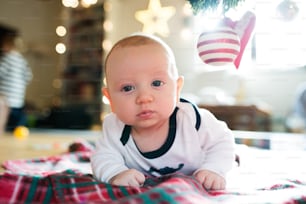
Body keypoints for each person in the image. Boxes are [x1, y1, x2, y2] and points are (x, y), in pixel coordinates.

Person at [91, 33, 235, 190]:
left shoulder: (191, 119)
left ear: (177, 89)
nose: (144, 98)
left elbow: (222, 141)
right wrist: (116, 173)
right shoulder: (114, 127)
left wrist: (213, 169)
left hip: (196, 178)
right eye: (127, 88)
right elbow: (103, 157)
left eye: (157, 83)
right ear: (110, 98)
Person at [0, 24, 32, 131]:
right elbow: (28, 77)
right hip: (18, 101)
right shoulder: (22, 60)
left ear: (7, 45)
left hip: (6, 101)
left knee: (3, 125)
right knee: (16, 127)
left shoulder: (6, 58)